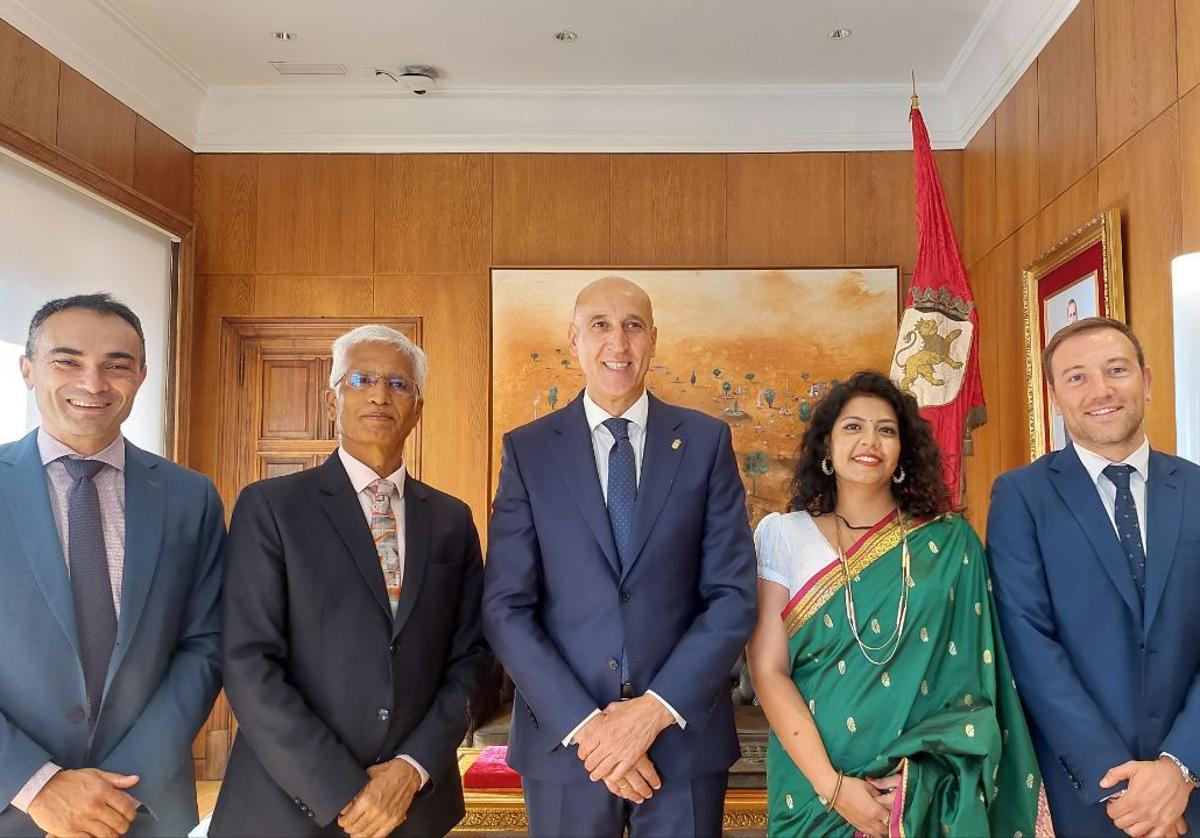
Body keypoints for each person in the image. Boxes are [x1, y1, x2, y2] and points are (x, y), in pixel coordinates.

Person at [483, 276, 757, 837]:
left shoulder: (706, 443)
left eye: (633, 326)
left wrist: (653, 711)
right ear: (573, 339)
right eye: (600, 325)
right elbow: (506, 607)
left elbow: (731, 597)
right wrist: (590, 728)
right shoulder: (528, 451)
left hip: (682, 742)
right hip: (567, 747)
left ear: (653, 339)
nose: (619, 342)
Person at [210, 325, 490, 837]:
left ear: (418, 409)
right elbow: (248, 660)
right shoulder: (271, 507)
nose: (381, 394)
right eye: (361, 379)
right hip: (288, 801)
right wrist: (341, 788)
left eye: (399, 384)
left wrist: (412, 768)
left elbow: (471, 659)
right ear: (330, 398)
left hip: (413, 804)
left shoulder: (452, 519)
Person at [746, 370, 1041, 837]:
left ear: (903, 451)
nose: (870, 440)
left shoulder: (950, 544)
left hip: (920, 792)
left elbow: (974, 686)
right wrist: (834, 787)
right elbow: (768, 671)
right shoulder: (782, 535)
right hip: (812, 790)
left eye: (886, 430)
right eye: (853, 427)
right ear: (826, 446)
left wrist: (910, 786)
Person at [0, 294, 224, 837]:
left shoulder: (189, 497)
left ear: (142, 375)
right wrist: (36, 783)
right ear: (28, 369)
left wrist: (130, 778)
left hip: (142, 807)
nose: (94, 383)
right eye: (68, 360)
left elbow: (207, 643)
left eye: (116, 365)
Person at [988, 317, 1200, 836]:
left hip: (1192, 791)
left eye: (1116, 370)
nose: (1100, 390)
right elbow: (1029, 646)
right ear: (1055, 396)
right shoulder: (1021, 498)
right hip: (1083, 794)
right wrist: (1126, 790)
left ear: (1146, 381)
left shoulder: (1197, 487)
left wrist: (1179, 768)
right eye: (1077, 377)